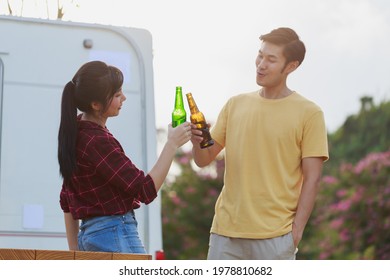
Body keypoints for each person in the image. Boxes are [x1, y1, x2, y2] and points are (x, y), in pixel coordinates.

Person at [191, 27, 329, 260]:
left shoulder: (309, 113)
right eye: (260, 55)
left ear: (291, 66)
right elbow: (203, 159)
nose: (261, 64)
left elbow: (312, 178)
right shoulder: (235, 104)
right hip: (225, 236)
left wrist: (296, 233)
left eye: (271, 59)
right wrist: (197, 141)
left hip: (275, 238)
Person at [58, 61, 192, 253]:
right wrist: (171, 144)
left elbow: (66, 200)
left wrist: (74, 251)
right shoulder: (97, 141)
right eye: (117, 95)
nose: (124, 98)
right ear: (96, 104)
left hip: (88, 237)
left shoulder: (76, 133)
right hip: (114, 233)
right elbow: (145, 190)